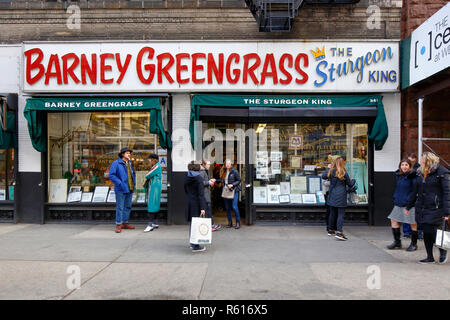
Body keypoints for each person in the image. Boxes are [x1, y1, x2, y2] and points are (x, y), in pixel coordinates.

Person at [406, 152, 450, 264]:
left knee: (434, 231)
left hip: (436, 207)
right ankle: (429, 256)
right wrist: (409, 204)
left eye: (422, 160)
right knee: (426, 231)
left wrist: (447, 212)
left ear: (428, 161)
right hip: (422, 206)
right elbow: (415, 190)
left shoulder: (442, 173)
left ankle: (443, 250)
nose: (420, 162)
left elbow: (447, 193)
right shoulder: (420, 172)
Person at [386, 159, 418, 251]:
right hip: (398, 202)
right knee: (394, 220)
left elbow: (414, 191)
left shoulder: (413, 177)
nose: (404, 166)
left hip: (409, 204)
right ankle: (397, 242)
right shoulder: (399, 176)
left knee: (413, 223)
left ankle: (414, 244)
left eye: (406, 165)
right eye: (402, 165)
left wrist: (409, 203)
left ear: (410, 166)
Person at [322, 156, 356, 241]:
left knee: (332, 213)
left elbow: (323, 176)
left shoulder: (331, 171)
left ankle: (330, 230)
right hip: (341, 195)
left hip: (332, 194)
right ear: (342, 163)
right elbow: (350, 184)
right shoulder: (343, 172)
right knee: (340, 214)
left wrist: (328, 168)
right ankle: (339, 233)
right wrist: (354, 180)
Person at [108, 147, 136, 233]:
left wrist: (134, 182)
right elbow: (111, 175)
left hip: (130, 188)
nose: (129, 154)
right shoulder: (116, 163)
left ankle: (125, 223)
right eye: (127, 153)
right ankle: (118, 224)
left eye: (129, 153)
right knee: (120, 207)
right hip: (120, 188)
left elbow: (132, 174)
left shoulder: (130, 163)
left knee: (128, 206)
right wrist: (120, 183)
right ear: (123, 154)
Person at [184, 161, 207, 252]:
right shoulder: (199, 178)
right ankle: (195, 245)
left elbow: (185, 189)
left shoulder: (186, 177)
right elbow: (201, 194)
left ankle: (192, 242)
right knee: (197, 224)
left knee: (192, 223)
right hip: (197, 203)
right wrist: (202, 208)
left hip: (189, 202)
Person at [217, 159, 242, 229]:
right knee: (227, 208)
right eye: (226, 163)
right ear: (224, 164)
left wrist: (232, 185)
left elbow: (239, 180)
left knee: (234, 207)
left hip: (234, 191)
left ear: (231, 164)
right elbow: (223, 180)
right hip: (226, 191)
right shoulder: (224, 171)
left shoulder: (234, 171)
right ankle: (230, 222)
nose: (227, 165)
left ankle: (237, 222)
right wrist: (215, 180)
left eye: (229, 163)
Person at [402, 153, 421, 238]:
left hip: (415, 194)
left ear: (415, 159)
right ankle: (407, 232)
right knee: (406, 214)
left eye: (412, 161)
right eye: (410, 161)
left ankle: (418, 234)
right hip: (407, 194)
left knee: (415, 216)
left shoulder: (419, 168)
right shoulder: (405, 169)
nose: (411, 163)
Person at [200, 160, 221, 232]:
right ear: (204, 164)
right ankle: (210, 225)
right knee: (208, 210)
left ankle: (211, 224)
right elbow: (200, 183)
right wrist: (209, 182)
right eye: (208, 164)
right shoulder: (202, 172)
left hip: (206, 193)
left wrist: (210, 182)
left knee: (208, 210)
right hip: (204, 194)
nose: (209, 166)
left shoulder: (204, 171)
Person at [144, 154, 162, 233]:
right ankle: (155, 222)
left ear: (154, 160)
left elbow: (147, 175)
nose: (149, 161)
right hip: (156, 187)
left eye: (150, 160)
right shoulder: (157, 166)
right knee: (155, 204)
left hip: (154, 188)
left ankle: (150, 224)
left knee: (151, 204)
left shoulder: (156, 166)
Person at [324, 156, 338, 236]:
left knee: (333, 211)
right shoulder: (330, 170)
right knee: (330, 211)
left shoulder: (338, 170)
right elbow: (324, 180)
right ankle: (330, 227)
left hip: (333, 192)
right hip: (330, 192)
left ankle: (332, 227)